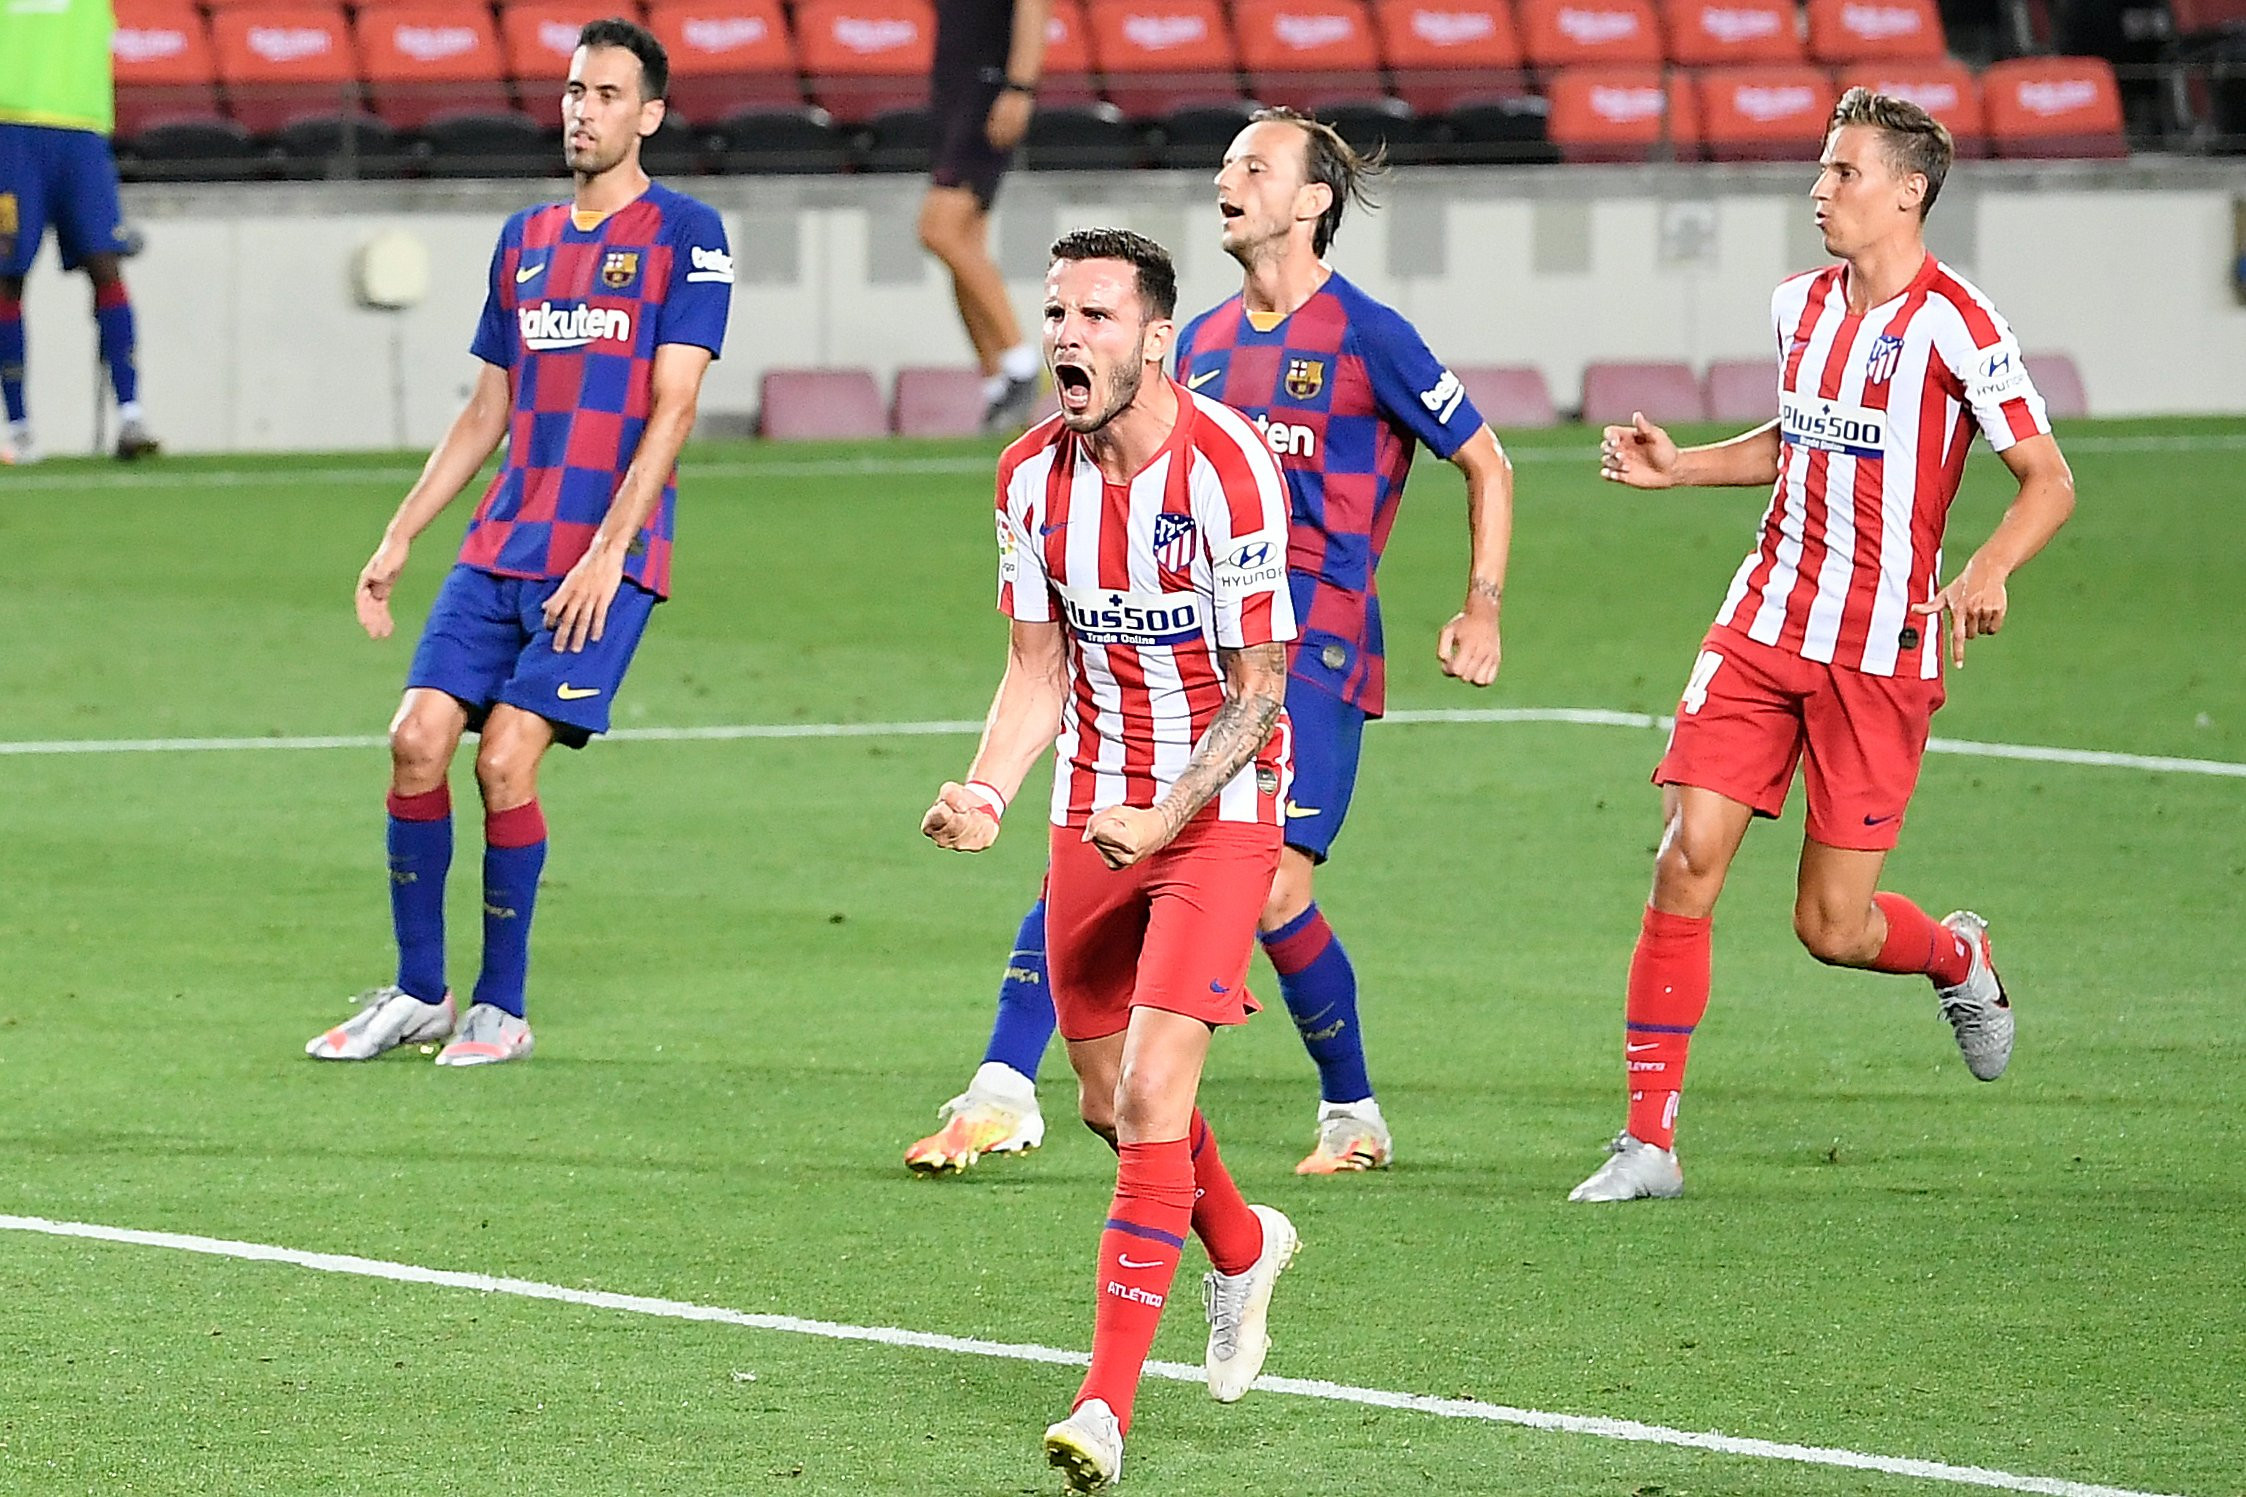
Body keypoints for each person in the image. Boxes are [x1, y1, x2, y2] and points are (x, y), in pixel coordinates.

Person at [904, 108, 1514, 1178]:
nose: (1227, 178)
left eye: (1254, 165)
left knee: (1275, 889)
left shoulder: (1367, 332)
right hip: (1181, 656)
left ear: (1313, 200)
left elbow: (1487, 461)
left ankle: (1350, 1109)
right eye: (1225, 162)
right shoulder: (1198, 345)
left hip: (1309, 654)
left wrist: (1481, 603)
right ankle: (1007, 1085)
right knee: (1095, 836)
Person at [1570, 89, 2075, 1202]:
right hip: (1762, 621)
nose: (1818, 190)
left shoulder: (1958, 322)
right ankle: (1647, 1143)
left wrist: (1984, 568)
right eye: (1819, 169)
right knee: (1683, 857)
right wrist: (1681, 467)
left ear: (1908, 190)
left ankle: (1956, 957)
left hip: (1878, 650)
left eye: (1843, 172)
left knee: (1829, 926)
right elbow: (1796, 439)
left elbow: (2047, 479)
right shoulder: (1798, 304)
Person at [921, 228, 1300, 1492]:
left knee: (1150, 1095)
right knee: (1100, 1101)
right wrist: (986, 788)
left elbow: (1258, 692)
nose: (1064, 337)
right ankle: (1242, 1247)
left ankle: (1104, 1405)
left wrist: (1169, 810)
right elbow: (1036, 669)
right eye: (1054, 314)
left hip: (1223, 807)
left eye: (1092, 315)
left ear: (1155, 339)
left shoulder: (1231, 471)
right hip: (1091, 809)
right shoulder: (1027, 478)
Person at [304, 19, 731, 1067]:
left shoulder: (688, 233)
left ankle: (501, 1006)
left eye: (607, 94)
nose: (582, 109)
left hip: (603, 558)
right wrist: (399, 534)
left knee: (502, 761)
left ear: (650, 115)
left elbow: (673, 409)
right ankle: (418, 993)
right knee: (413, 739)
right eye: (574, 91)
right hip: (501, 544)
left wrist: (609, 552)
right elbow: (484, 410)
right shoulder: (525, 239)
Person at [0, 0, 159, 463]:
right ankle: (19, 428)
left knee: (105, 263)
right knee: (7, 275)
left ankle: (131, 415)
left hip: (82, 133)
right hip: (11, 131)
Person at [917, 0, 1049, 431]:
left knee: (938, 230)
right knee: (965, 239)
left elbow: (1034, 8)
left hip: (988, 87)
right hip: (954, 86)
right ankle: (997, 383)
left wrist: (1020, 87)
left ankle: (1022, 362)